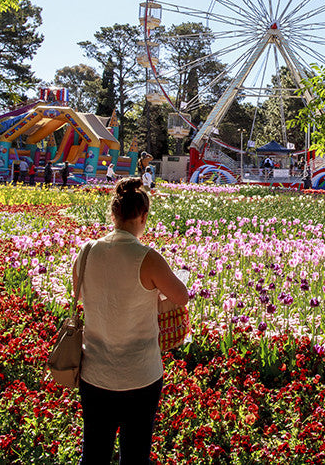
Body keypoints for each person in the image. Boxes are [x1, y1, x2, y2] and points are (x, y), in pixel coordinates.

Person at [73, 177, 188, 465]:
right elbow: (181, 297)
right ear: (144, 216)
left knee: (94, 454)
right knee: (135, 457)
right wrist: (151, 301)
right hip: (140, 375)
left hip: (95, 373)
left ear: (113, 213)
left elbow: (81, 296)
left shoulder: (86, 252)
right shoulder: (147, 257)